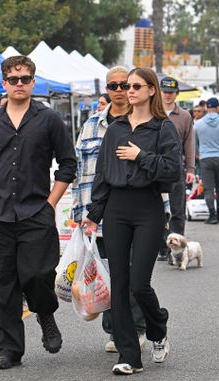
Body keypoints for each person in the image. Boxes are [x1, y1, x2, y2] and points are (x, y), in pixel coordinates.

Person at [0, 55, 77, 370]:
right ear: (3, 83)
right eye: (13, 79)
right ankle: (8, 349)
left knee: (39, 275)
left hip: (35, 211)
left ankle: (45, 314)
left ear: (33, 82)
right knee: (2, 283)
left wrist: (51, 203)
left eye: (25, 79)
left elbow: (68, 163)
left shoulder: (49, 119)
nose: (19, 84)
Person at [82, 68, 181, 375]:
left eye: (136, 85)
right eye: (126, 85)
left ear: (151, 90)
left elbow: (173, 171)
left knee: (139, 284)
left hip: (147, 208)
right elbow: (102, 174)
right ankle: (129, 356)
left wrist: (140, 156)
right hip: (115, 209)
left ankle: (158, 326)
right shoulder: (115, 129)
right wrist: (93, 215)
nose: (129, 90)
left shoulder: (163, 128)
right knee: (119, 284)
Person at [72, 66, 146, 354]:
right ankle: (115, 329)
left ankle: (137, 327)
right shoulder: (91, 125)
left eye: (123, 85)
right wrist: (81, 212)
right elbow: (80, 170)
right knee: (108, 273)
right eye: (112, 86)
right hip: (100, 213)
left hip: (136, 209)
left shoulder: (145, 123)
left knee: (133, 273)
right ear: (106, 89)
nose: (118, 90)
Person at [158, 77, 195, 261]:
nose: (167, 95)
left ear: (176, 94)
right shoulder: (153, 112)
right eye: (164, 91)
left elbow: (189, 143)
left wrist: (190, 168)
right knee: (157, 210)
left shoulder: (185, 116)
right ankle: (161, 248)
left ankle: (178, 249)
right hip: (155, 167)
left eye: (171, 92)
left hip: (177, 169)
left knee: (177, 210)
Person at [194, 97, 219, 224]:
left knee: (208, 189)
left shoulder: (198, 124)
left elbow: (195, 144)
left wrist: (199, 154)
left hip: (205, 158)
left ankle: (212, 215)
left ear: (206, 108)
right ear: (218, 108)